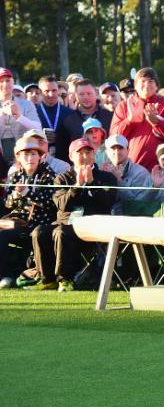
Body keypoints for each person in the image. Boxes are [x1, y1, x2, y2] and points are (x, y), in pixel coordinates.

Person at [29, 139, 117, 292]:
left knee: (60, 232)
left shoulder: (106, 177)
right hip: (66, 221)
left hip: (93, 224)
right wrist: (76, 187)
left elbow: (108, 202)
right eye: (80, 153)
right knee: (39, 232)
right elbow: (62, 205)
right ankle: (47, 279)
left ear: (94, 154)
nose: (84, 156)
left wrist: (90, 184)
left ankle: (64, 279)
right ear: (70, 156)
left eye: (88, 152)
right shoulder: (62, 178)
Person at [0, 138, 57, 289]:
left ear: (40, 156)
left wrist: (26, 192)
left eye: (33, 154)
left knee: (4, 236)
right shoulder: (15, 176)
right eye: (25, 155)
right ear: (18, 157)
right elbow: (7, 204)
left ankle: (7, 276)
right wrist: (15, 196)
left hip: (41, 225)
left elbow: (50, 204)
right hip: (18, 223)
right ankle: (4, 276)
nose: (29, 158)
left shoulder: (49, 175)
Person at [109, 67, 164, 171]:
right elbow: (114, 138)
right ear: (135, 86)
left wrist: (157, 123)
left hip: (161, 168)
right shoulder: (124, 106)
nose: (147, 84)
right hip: (131, 169)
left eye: (151, 81)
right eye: (142, 81)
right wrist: (129, 120)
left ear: (156, 85)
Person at [58, 79, 114, 165]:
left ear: (96, 94)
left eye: (89, 93)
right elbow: (62, 151)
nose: (86, 97)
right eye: (81, 94)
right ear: (76, 96)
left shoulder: (109, 117)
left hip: (106, 169)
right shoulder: (68, 120)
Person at [101, 134, 157, 214]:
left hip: (130, 220)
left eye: (120, 148)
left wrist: (119, 181)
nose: (117, 152)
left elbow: (137, 203)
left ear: (128, 150)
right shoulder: (101, 170)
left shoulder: (140, 173)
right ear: (106, 152)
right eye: (113, 148)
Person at [0, 67, 42, 160]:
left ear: (13, 82)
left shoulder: (26, 104)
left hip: (24, 154)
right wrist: (2, 113)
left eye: (8, 80)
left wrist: (19, 116)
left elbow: (38, 128)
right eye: (1, 81)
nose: (5, 84)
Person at [33, 76, 73, 159]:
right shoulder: (34, 113)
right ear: (40, 92)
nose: (51, 94)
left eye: (54, 90)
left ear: (58, 91)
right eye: (47, 91)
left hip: (65, 160)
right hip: (40, 160)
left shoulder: (69, 113)